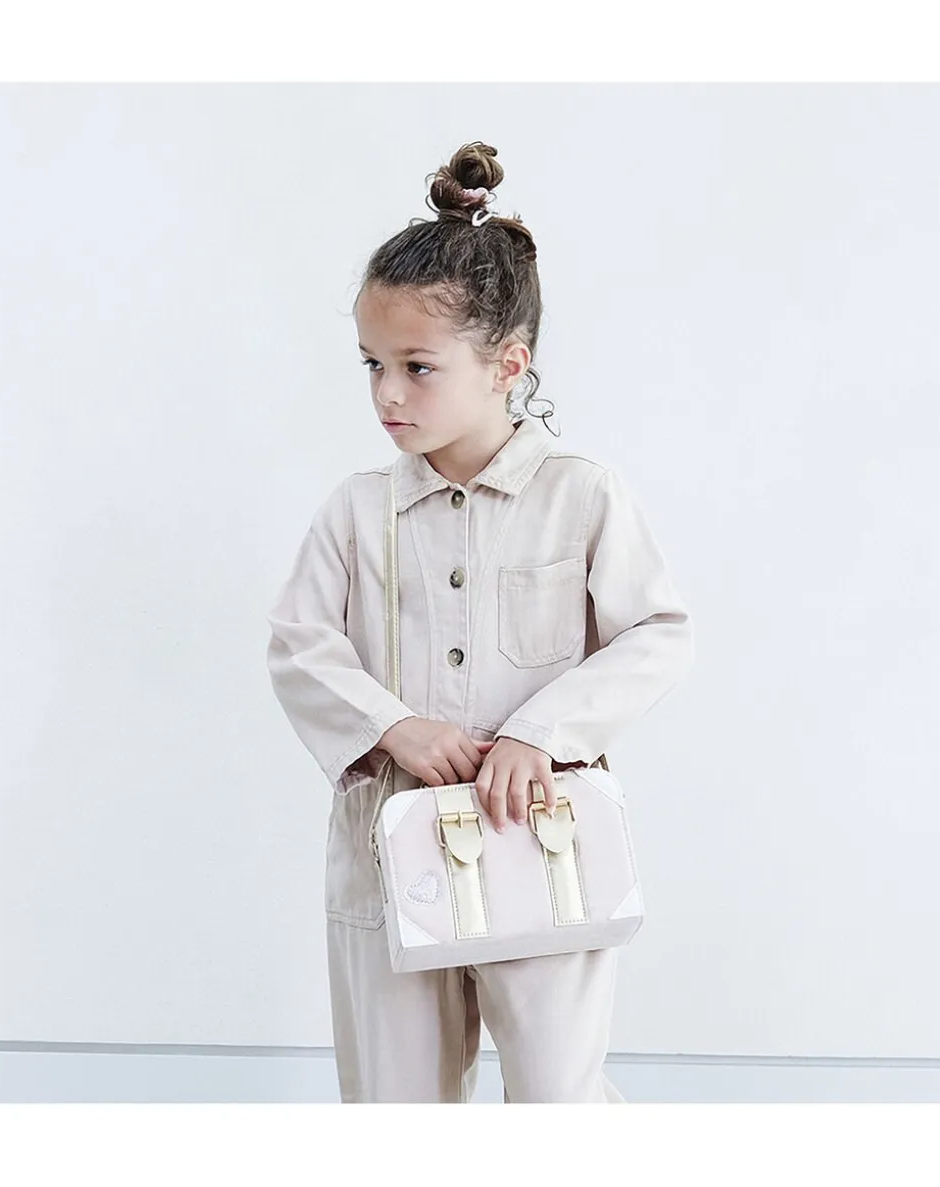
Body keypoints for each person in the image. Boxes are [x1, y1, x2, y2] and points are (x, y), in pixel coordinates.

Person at [266, 141, 694, 1103]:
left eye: (417, 367)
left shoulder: (582, 495)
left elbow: (658, 631)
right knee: (397, 1103)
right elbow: (298, 644)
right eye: (372, 364)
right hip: (390, 855)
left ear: (508, 364)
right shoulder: (357, 509)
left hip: (542, 838)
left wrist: (542, 730)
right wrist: (392, 726)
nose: (387, 392)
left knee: (557, 1097)